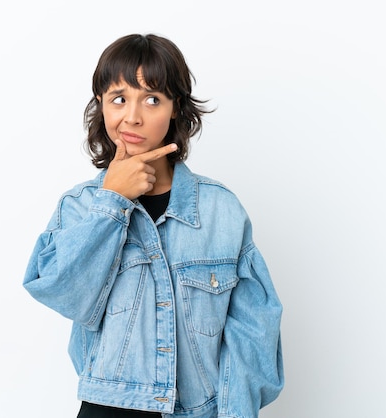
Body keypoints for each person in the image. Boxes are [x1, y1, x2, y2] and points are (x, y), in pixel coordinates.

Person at [23, 33, 284, 418]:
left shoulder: (219, 210)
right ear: (101, 106)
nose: (132, 116)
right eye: (118, 99)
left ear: (175, 108)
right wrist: (112, 201)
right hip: (107, 409)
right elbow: (64, 294)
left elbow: (254, 334)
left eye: (152, 99)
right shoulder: (80, 207)